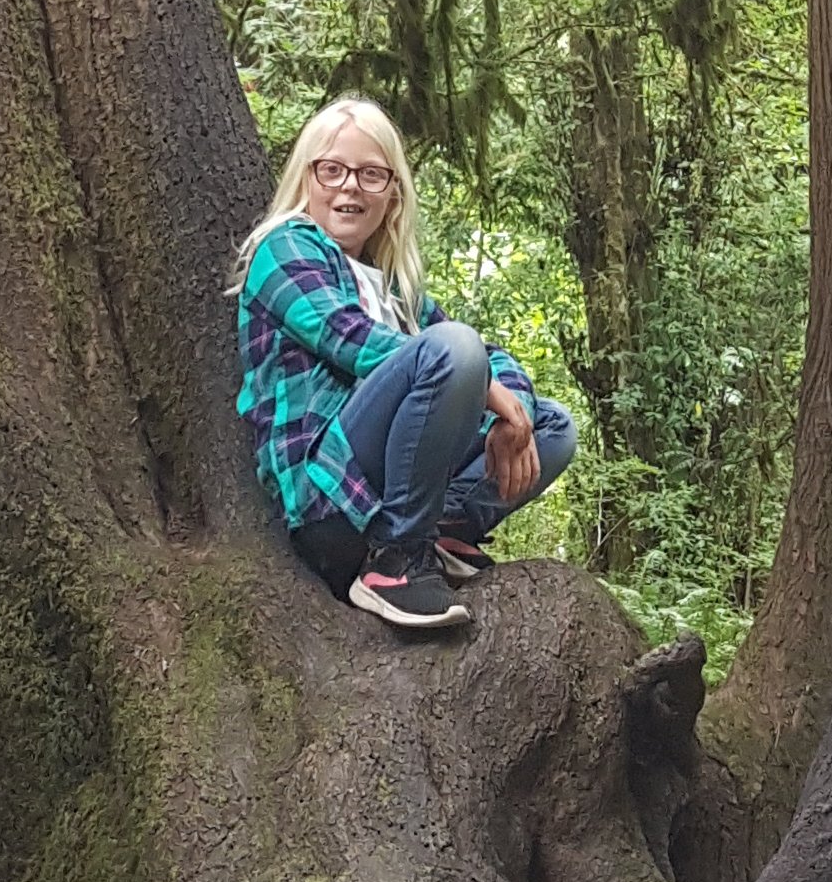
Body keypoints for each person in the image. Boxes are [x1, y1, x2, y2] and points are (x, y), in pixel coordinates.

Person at [233, 94, 578, 633]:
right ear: (306, 177)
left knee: (552, 425)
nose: (349, 186)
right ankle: (396, 560)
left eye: (371, 174)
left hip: (393, 487)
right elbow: (349, 338)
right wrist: (484, 385)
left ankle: (442, 531)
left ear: (392, 193)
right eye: (332, 170)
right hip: (331, 498)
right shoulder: (286, 249)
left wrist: (514, 411)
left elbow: (489, 357)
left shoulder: (395, 287)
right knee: (453, 349)